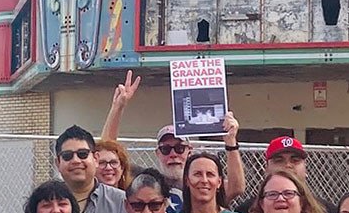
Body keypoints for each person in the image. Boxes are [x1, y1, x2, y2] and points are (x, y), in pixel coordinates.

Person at [100, 71, 244, 206]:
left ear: (189, 151)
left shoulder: (201, 184)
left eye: (180, 148)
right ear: (157, 153)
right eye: (166, 149)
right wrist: (118, 107)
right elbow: (107, 151)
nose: (173, 154)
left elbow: (235, 188)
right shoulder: (143, 180)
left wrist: (231, 142)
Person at [54, 125, 127, 213]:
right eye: (67, 156)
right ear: (58, 163)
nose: (76, 161)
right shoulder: (46, 203)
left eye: (82, 154)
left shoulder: (120, 201)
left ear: (95, 159)